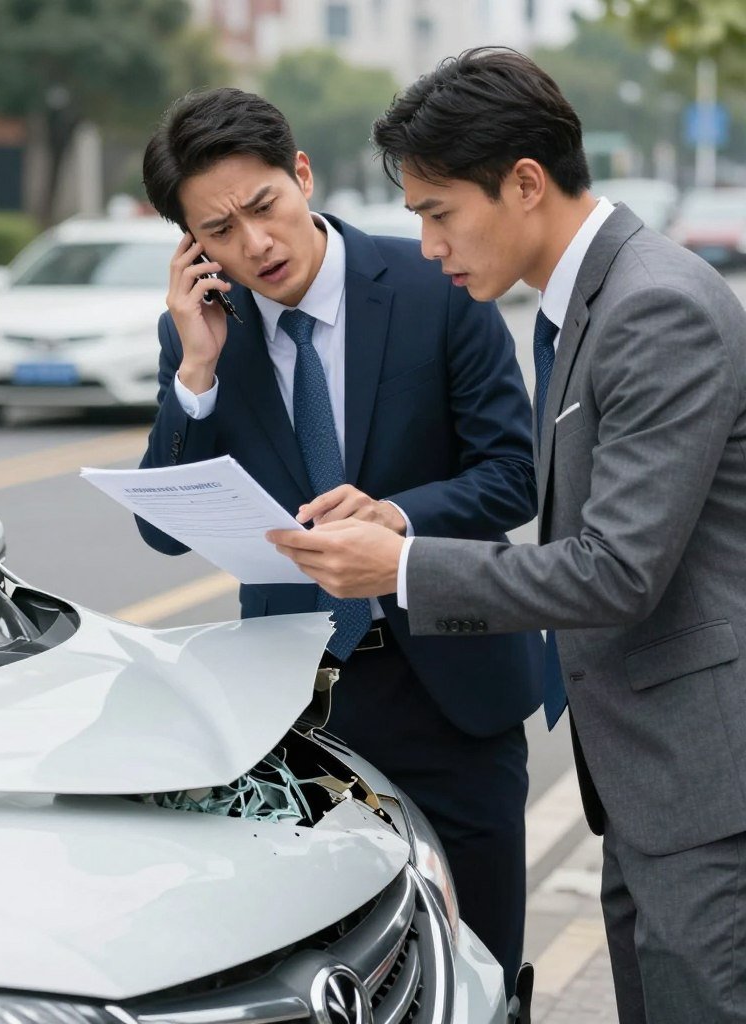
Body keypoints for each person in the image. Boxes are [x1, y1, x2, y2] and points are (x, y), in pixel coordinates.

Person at [267, 48, 746, 1024]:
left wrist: (397, 564)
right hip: (649, 775)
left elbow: (616, 569)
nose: (429, 243)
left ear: (524, 183)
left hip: (702, 780)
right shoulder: (583, 306)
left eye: (439, 211)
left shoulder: (652, 307)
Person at [136, 86, 543, 997]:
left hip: (456, 691)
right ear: (191, 244)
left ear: (303, 176)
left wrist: (396, 518)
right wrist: (195, 371)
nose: (256, 246)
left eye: (265, 208)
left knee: (477, 967)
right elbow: (160, 530)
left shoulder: (435, 283)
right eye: (220, 231)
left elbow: (513, 474)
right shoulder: (205, 333)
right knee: (338, 979)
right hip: (301, 713)